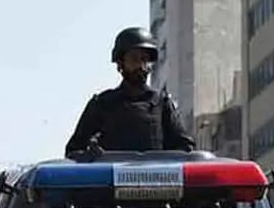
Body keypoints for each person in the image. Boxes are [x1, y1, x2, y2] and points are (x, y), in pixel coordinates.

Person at [64, 27, 196, 161]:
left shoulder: (161, 103)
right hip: (112, 173)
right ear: (121, 63)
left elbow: (185, 148)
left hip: (154, 174)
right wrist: (93, 157)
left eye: (145, 59)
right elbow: (74, 151)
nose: (141, 65)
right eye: (134, 59)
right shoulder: (102, 104)